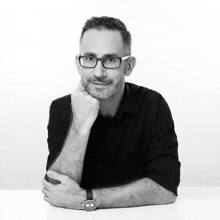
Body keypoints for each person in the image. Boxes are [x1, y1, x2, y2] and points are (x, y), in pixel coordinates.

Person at [41, 16, 181, 211]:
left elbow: (166, 189)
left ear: (128, 66)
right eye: (90, 58)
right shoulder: (61, 109)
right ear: (78, 64)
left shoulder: (153, 105)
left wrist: (88, 198)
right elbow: (55, 190)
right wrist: (79, 126)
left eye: (110, 60)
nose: (99, 72)